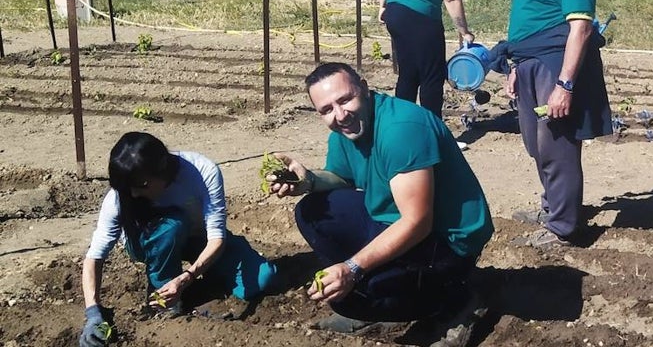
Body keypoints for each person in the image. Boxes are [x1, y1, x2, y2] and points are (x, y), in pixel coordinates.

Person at [266, 62, 493, 343]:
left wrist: (352, 269)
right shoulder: (347, 130)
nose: (339, 115)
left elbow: (418, 222)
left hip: (449, 240)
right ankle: (380, 294)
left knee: (360, 293)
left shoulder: (401, 129)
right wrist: (308, 181)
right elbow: (341, 178)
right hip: (395, 221)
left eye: (345, 99)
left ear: (363, 86)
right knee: (312, 211)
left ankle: (457, 301)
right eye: (326, 110)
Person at [79, 132, 276, 346]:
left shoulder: (203, 172)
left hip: (199, 240)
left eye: (142, 184)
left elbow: (216, 238)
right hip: (149, 241)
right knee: (173, 225)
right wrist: (93, 313)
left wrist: (186, 278)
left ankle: (194, 286)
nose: (134, 195)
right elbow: (94, 258)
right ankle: (163, 299)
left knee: (263, 278)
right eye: (129, 188)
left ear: (163, 168)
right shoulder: (122, 195)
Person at [499, 0, 612, 249]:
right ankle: (553, 207)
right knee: (536, 144)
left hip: (554, 64)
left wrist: (565, 85)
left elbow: (579, 29)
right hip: (531, 63)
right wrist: (516, 67)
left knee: (557, 147)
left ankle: (563, 227)